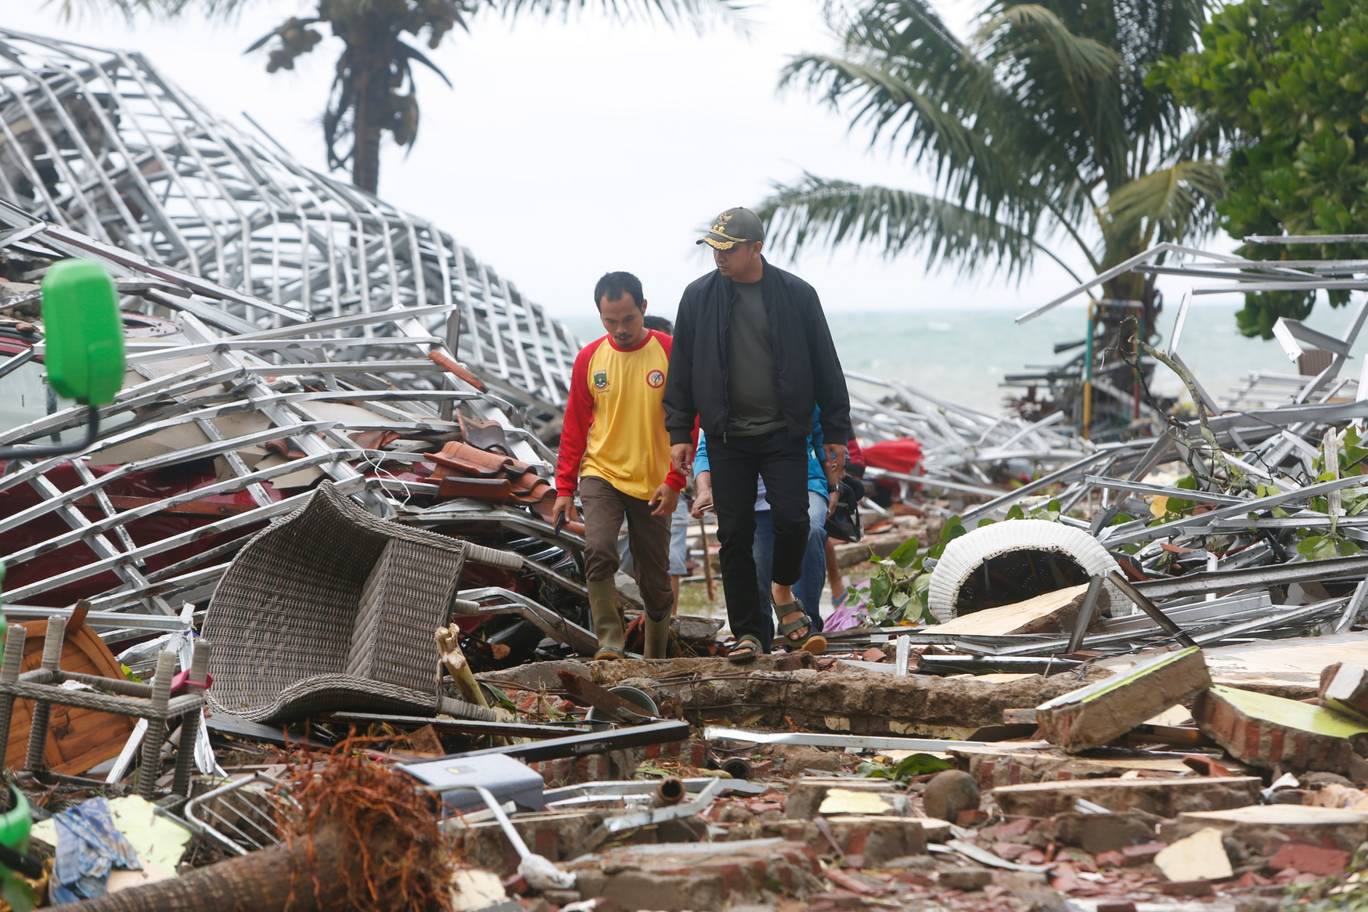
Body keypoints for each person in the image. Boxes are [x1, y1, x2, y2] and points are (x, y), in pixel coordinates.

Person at [664, 206, 851, 662]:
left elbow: (826, 363)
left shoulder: (797, 295)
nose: (718, 258)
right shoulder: (698, 297)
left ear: (756, 249)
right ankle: (750, 633)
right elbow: (682, 370)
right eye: (713, 248)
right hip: (727, 437)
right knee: (735, 535)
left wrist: (836, 432)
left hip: (784, 433)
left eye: (728, 250)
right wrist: (679, 431)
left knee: (794, 521)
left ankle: (781, 589)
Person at [553, 272, 686, 660]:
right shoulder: (589, 358)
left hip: (653, 480)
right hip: (601, 473)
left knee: (656, 579)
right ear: (600, 316)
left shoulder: (669, 351)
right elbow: (574, 426)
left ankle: (656, 654)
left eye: (628, 318)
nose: (621, 329)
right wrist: (563, 489)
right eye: (610, 321)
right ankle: (609, 642)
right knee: (598, 548)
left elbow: (688, 420)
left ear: (643, 308)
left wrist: (676, 480)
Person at [693, 406, 834, 648]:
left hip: (802, 482)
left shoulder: (793, 385)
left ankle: (807, 621)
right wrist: (705, 489)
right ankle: (758, 639)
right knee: (756, 567)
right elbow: (706, 448)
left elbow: (824, 435)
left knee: (809, 530)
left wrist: (834, 487)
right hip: (749, 494)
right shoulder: (724, 397)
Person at [618, 315, 692, 616]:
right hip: (626, 483)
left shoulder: (680, 391)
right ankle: (634, 623)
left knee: (670, 560)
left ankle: (667, 625)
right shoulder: (627, 386)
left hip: (671, 483)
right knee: (627, 561)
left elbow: (694, 435)